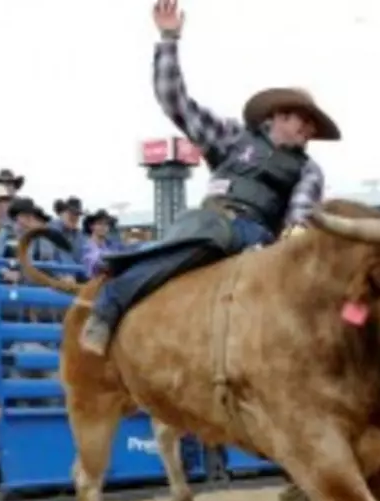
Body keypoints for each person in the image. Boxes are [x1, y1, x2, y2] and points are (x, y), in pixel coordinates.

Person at [81, 0, 339, 355]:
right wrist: (169, 39)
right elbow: (177, 103)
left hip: (259, 236)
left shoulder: (308, 170)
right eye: (303, 121)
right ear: (280, 115)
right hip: (211, 219)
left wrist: (293, 244)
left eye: (312, 126)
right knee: (202, 236)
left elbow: (300, 216)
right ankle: (112, 300)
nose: (308, 130)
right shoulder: (234, 136)